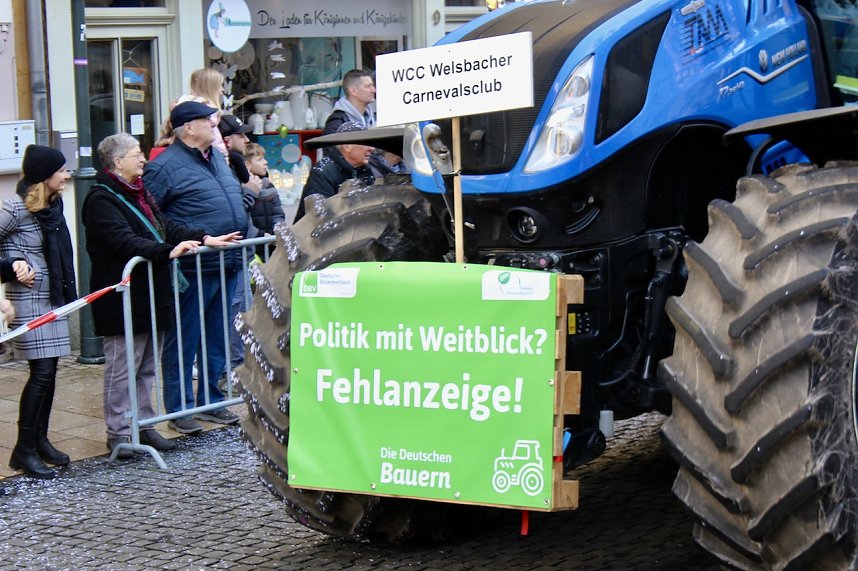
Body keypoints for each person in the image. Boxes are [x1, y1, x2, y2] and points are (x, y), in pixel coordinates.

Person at [83, 133, 241, 458]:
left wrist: (205, 237)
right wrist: (168, 251)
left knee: (146, 367)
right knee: (122, 368)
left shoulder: (138, 192)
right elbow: (124, 241)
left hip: (151, 294)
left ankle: (144, 424)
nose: (143, 159)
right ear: (117, 162)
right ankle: (119, 433)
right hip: (122, 298)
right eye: (136, 154)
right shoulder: (101, 199)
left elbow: (165, 225)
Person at [144, 100, 246, 434]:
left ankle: (210, 400)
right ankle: (180, 406)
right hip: (194, 265)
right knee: (185, 336)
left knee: (217, 334)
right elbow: (153, 216)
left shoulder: (216, 156)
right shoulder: (165, 166)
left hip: (227, 259)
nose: (215, 126)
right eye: (209, 121)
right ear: (189, 128)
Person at [0, 145, 77, 479]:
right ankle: (24, 449)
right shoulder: (14, 208)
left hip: (52, 298)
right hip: (28, 301)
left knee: (50, 372)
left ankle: (39, 440)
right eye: (61, 170)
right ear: (46, 175)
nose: (66, 175)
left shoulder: (53, 206)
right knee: (42, 372)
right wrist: (10, 266)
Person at [294, 121, 375, 223]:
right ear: (347, 146)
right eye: (366, 143)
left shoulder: (365, 170)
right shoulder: (323, 172)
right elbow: (320, 217)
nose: (371, 149)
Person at [244, 143, 286, 238]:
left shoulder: (268, 185)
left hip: (271, 240)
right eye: (259, 159)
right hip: (253, 241)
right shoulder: (243, 187)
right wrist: (260, 235)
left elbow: (277, 213)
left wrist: (278, 230)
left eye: (264, 158)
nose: (265, 162)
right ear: (247, 164)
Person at [322, 69, 377, 135]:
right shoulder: (337, 121)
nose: (373, 90)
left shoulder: (373, 118)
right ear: (353, 91)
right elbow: (328, 144)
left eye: (373, 86)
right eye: (368, 86)